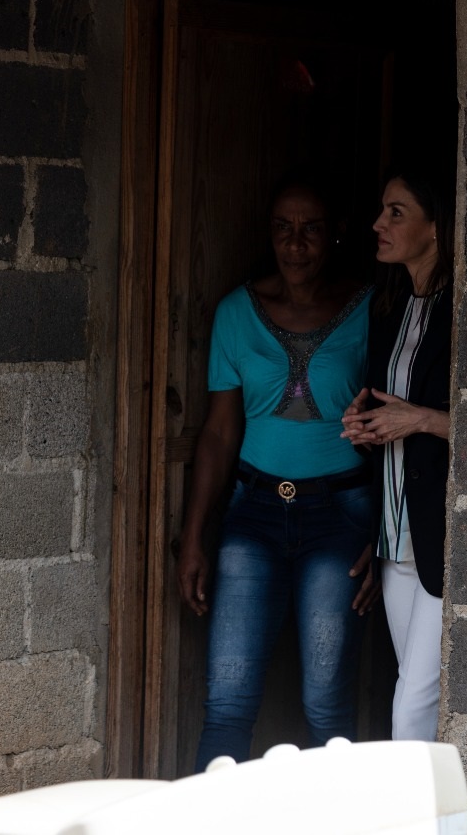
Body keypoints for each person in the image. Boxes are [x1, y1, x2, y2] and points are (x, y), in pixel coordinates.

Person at [177, 172, 379, 770]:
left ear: (336, 234)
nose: (296, 243)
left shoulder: (371, 309)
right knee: (228, 703)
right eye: (283, 229)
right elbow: (217, 433)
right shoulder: (237, 312)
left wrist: (384, 536)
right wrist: (193, 537)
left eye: (311, 229)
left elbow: (393, 431)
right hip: (254, 515)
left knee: (326, 708)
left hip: (341, 519)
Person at [341, 169, 452, 742]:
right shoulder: (389, 308)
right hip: (393, 536)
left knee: (412, 705)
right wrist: (365, 425)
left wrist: (419, 419)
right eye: (382, 210)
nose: (378, 224)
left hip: (437, 535)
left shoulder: (464, 310)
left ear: (435, 227)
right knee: (414, 692)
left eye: (396, 212)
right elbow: (387, 407)